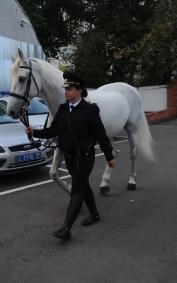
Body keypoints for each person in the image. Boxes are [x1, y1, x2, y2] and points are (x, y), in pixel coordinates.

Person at [25, 71, 116, 241]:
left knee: (77, 190)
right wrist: (34, 132)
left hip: (85, 157)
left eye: (70, 88)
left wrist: (109, 156)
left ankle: (66, 228)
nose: (66, 92)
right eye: (65, 88)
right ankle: (94, 214)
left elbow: (101, 134)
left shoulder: (90, 110)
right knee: (83, 186)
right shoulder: (62, 109)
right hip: (70, 157)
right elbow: (53, 131)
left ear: (80, 90)